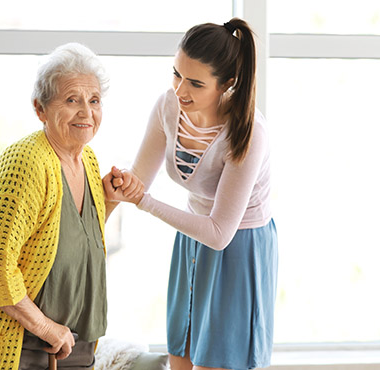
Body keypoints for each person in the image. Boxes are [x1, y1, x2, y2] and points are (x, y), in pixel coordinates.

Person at [0, 42, 135, 370]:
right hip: (20, 350)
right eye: (72, 100)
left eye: (94, 100)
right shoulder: (26, 162)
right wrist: (47, 328)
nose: (86, 112)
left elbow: (79, 240)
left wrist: (108, 199)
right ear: (40, 108)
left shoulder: (86, 157)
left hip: (75, 345)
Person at [105, 18, 278, 370]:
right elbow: (140, 179)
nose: (180, 90)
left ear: (227, 83)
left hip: (238, 247)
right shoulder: (168, 106)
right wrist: (121, 184)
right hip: (191, 240)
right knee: (180, 358)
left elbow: (218, 233)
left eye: (196, 83)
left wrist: (145, 202)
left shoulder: (248, 132)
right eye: (176, 74)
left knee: (213, 362)